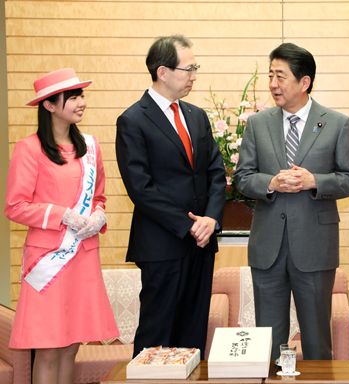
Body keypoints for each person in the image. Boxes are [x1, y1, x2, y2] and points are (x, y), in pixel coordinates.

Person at [234, 42, 349, 360]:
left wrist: (315, 181)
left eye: (281, 76)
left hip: (315, 246)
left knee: (317, 340)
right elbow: (242, 178)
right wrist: (272, 182)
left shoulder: (336, 123)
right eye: (270, 76)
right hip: (268, 247)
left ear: (304, 82)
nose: (273, 84)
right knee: (270, 342)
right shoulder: (257, 124)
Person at [5, 68, 118, 384]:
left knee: (71, 347)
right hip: (48, 263)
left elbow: (99, 198)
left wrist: (98, 215)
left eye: (81, 95)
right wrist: (62, 215)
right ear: (50, 105)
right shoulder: (30, 148)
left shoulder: (91, 148)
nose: (81, 102)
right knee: (49, 349)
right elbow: (15, 206)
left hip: (82, 258)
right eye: (72, 97)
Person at [115, 35, 226, 358]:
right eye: (188, 68)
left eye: (196, 68)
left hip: (202, 244)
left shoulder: (196, 116)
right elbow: (140, 188)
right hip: (162, 243)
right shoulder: (133, 120)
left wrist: (211, 219)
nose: (194, 75)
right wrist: (187, 224)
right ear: (163, 72)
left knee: (193, 335)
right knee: (157, 332)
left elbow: (216, 173)